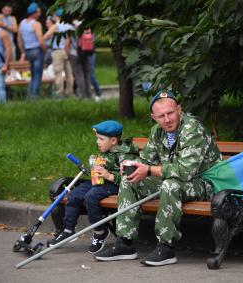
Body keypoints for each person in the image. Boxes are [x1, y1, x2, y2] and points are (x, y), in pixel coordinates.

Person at [95, 90, 222, 266]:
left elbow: (185, 171)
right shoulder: (158, 131)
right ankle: (125, 243)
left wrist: (147, 170)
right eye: (161, 116)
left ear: (179, 109)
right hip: (175, 180)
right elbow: (146, 160)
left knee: (170, 185)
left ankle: (166, 248)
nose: (167, 119)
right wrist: (132, 164)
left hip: (203, 182)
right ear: (154, 117)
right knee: (130, 180)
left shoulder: (192, 128)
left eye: (170, 113)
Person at [47, 120, 139, 254]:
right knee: (75, 194)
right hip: (102, 183)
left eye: (101, 139)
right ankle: (67, 230)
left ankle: (100, 231)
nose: (98, 142)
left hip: (117, 185)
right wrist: (95, 168)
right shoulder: (106, 151)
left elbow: (129, 179)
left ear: (113, 140)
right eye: (97, 138)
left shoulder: (125, 154)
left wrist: (108, 175)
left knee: (91, 197)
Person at [43, 8, 74, 98]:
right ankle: (69, 92)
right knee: (69, 73)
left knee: (58, 74)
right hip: (68, 51)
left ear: (56, 16)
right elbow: (69, 40)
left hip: (58, 52)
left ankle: (59, 93)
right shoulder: (69, 26)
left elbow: (46, 36)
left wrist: (44, 39)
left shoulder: (56, 26)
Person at [17, 2, 46, 99]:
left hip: (28, 51)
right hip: (37, 50)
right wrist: (45, 50)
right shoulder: (36, 24)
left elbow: (19, 39)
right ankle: (34, 96)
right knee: (38, 74)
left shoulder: (22, 23)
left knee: (33, 74)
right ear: (34, 13)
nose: (40, 13)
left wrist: (23, 52)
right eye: (38, 11)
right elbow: (40, 40)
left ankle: (29, 95)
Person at [68, 20, 91, 99]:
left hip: (74, 54)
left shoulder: (71, 28)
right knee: (86, 75)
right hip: (86, 53)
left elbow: (67, 43)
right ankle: (89, 94)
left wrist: (68, 54)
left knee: (79, 75)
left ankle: (83, 95)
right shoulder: (86, 27)